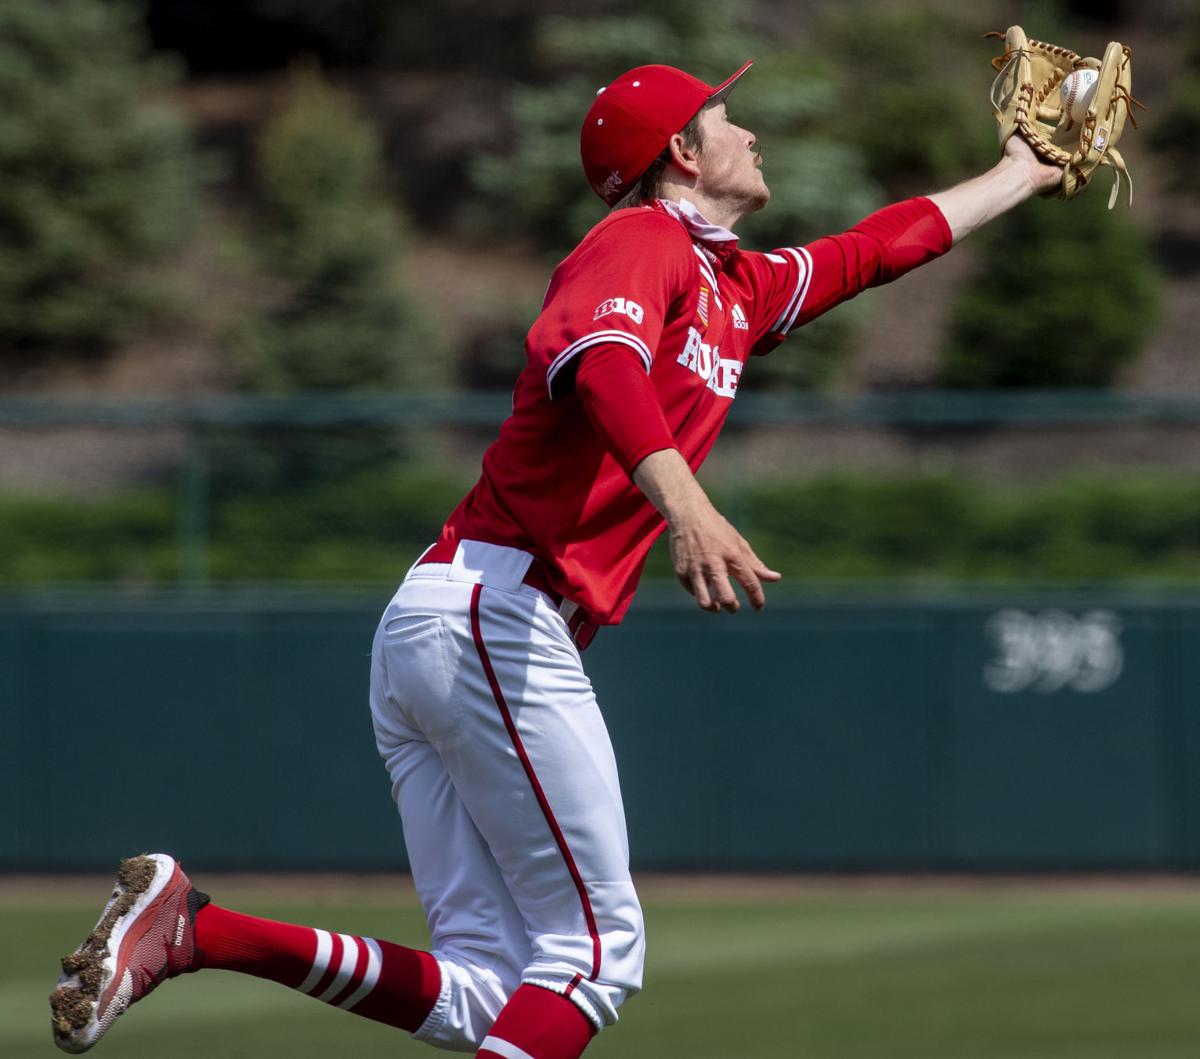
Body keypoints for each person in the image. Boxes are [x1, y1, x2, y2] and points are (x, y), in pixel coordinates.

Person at [50, 60, 1062, 1059]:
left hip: (451, 625)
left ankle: (199, 930)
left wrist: (1022, 171)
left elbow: (880, 247)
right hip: (496, 614)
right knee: (596, 953)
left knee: (491, 995)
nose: (749, 132)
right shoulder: (638, 239)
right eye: (727, 118)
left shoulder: (733, 287)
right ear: (682, 151)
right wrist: (688, 506)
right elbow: (602, 364)